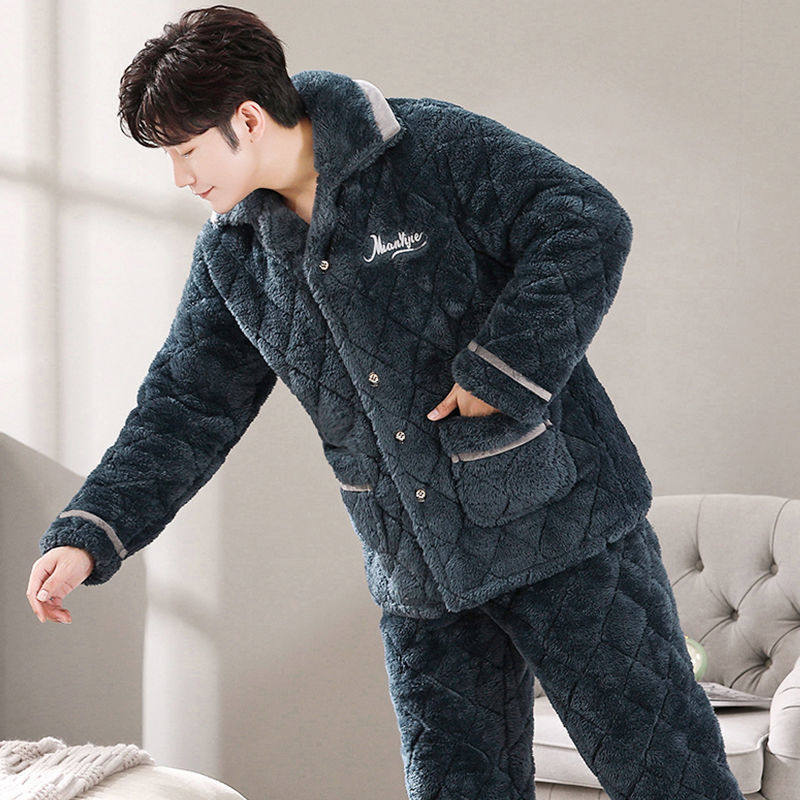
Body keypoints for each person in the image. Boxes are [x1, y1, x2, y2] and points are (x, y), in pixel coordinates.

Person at [26, 5, 746, 799]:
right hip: (418, 572)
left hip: (559, 526)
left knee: (670, 776)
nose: (180, 179)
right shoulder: (234, 254)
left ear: (249, 119)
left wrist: (501, 373)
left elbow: (585, 221)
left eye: (187, 151)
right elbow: (184, 406)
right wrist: (91, 534)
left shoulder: (428, 147)